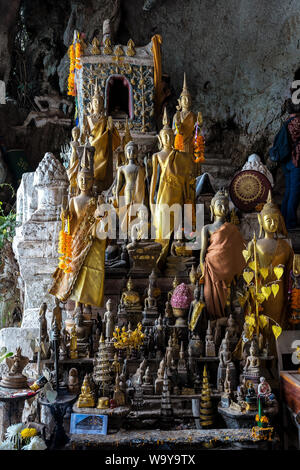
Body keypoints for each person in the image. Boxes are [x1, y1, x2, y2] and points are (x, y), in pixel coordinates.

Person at [270, 98, 300, 230]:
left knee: (288, 190)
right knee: (294, 191)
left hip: (286, 161)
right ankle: (291, 222)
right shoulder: (297, 122)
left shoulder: (286, 122)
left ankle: (284, 220)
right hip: (295, 161)